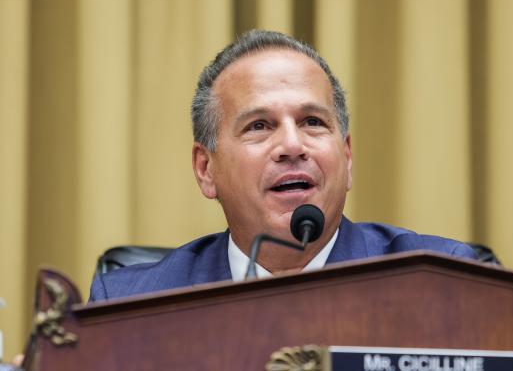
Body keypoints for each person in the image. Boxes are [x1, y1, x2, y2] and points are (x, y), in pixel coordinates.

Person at [89, 30, 476, 301]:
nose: (292, 145)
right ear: (206, 169)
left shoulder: (441, 283)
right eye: (259, 126)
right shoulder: (132, 303)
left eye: (312, 122)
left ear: (348, 157)